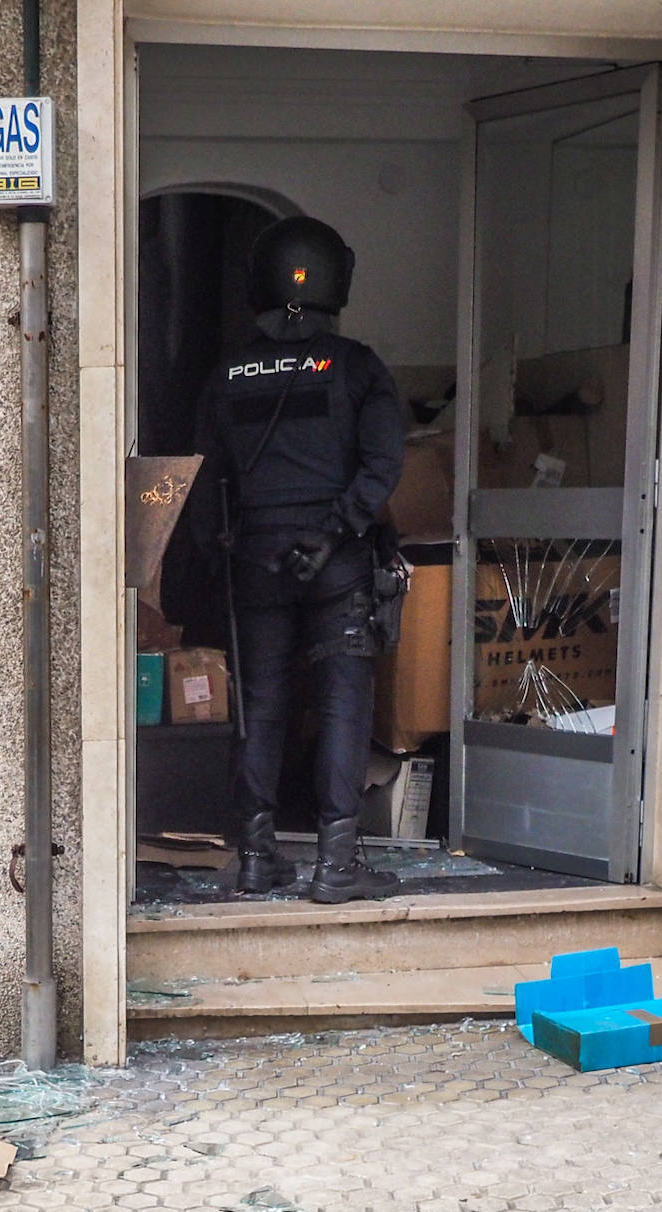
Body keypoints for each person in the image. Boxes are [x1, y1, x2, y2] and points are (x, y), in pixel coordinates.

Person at [191, 215, 406, 903]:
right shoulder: (356, 366)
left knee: (262, 704)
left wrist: (214, 555)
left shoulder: (227, 371)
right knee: (343, 701)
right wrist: (336, 527)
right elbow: (383, 462)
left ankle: (256, 856)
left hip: (254, 559)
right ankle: (334, 863)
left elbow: (204, 474)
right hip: (335, 558)